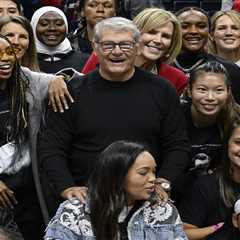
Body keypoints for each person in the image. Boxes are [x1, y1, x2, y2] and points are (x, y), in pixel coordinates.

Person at [38, 17, 190, 218]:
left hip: (146, 202)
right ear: (95, 47)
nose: (117, 51)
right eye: (108, 45)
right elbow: (51, 147)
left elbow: (177, 145)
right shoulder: (71, 92)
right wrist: (66, 187)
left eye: (125, 45)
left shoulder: (163, 90)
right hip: (87, 202)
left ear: (137, 47)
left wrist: (164, 180)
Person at [44, 140, 188, 240]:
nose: (152, 179)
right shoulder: (75, 211)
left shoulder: (164, 210)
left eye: (154, 171)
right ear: (118, 176)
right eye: (144, 173)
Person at [173, 61, 240, 205]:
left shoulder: (235, 120)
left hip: (215, 197)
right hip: (172, 194)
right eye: (202, 90)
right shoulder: (173, 117)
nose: (210, 97)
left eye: (218, 90)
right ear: (189, 90)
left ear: (228, 92)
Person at [82, 8, 188, 94]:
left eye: (165, 36)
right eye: (151, 32)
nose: (158, 40)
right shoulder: (104, 56)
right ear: (135, 35)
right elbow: (82, 89)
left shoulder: (177, 78)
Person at [179, 119, 240, 240]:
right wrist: (220, 228)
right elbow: (183, 233)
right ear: (227, 144)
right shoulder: (206, 186)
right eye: (238, 142)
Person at [174, 6, 240, 104]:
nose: (193, 31)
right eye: (184, 26)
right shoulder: (159, 67)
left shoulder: (231, 70)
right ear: (175, 31)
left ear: (209, 32)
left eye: (201, 26)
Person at [30, 6, 88, 73]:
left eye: (58, 24)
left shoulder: (85, 61)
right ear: (33, 27)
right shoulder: (23, 61)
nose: (52, 28)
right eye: (44, 24)